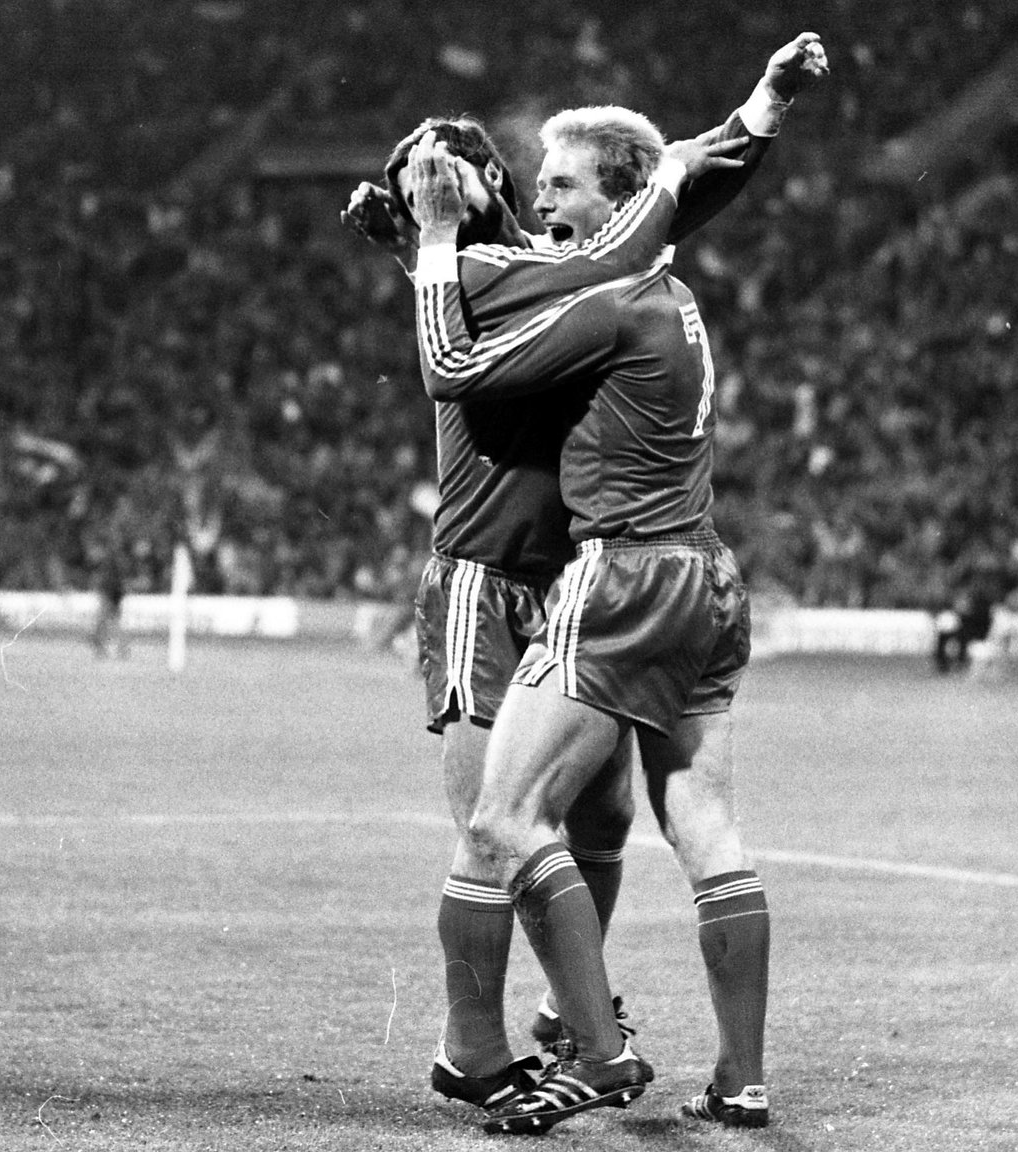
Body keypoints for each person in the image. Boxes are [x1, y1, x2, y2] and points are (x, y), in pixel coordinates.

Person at [343, 36, 815, 1120]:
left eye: (470, 168)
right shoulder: (502, 275)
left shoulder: (563, 275)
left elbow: (663, 192)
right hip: (485, 579)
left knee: (584, 830)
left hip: (586, 586)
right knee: (494, 827)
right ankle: (475, 1046)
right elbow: (644, 206)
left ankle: (574, 1028)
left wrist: (752, 114)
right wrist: (419, 234)